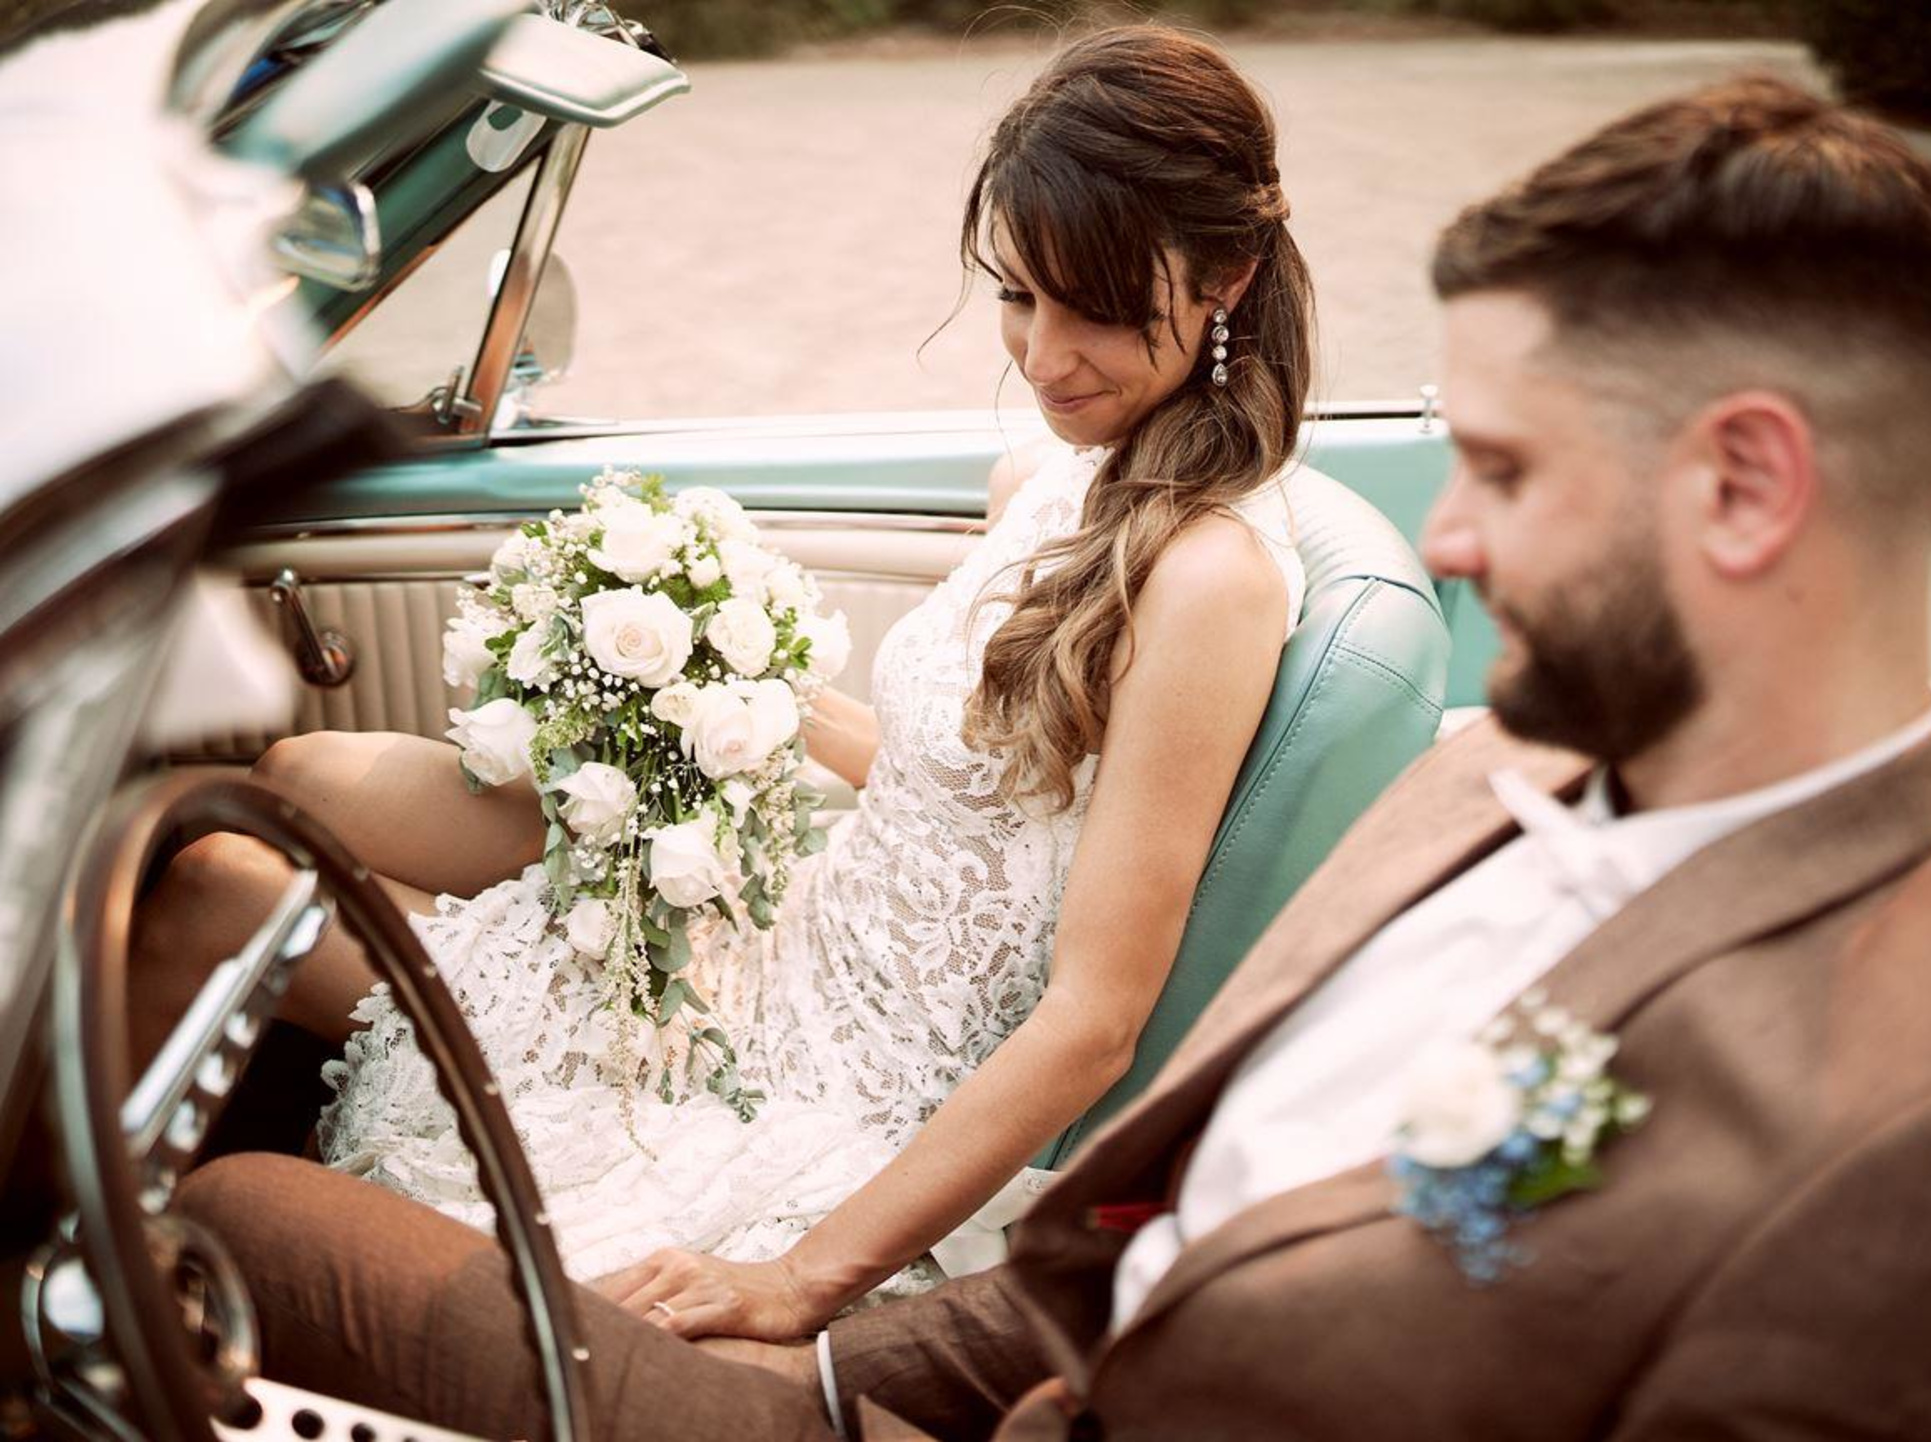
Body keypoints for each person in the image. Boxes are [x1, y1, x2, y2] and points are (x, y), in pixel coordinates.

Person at [180, 72, 1931, 1439]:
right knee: (224, 927)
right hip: (936, 1325)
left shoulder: (1903, 1115)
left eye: (1506, 475)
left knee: (228, 1200)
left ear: (1749, 484)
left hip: (925, 1327)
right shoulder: (1484, 780)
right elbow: (1127, 1212)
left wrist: (796, 1295)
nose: (1436, 548)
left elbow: (1106, 1045)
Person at [145, 25, 1321, 1343]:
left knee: (209, 889)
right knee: (253, 808)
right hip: (773, 954)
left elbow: (1096, 1020)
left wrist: (802, 1273)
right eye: (1015, 296)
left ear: (1229, 271)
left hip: (827, 1085)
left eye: (1093, 306)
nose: (1043, 358)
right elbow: (978, 796)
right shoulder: (1055, 479)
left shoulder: (1211, 577)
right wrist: (738, 681)